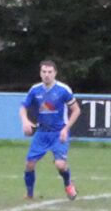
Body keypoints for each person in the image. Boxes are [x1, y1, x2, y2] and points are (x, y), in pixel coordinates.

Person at [19, 59, 81, 200]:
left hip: (59, 133)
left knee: (60, 165)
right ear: (40, 73)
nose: (47, 75)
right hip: (42, 132)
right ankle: (29, 194)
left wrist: (66, 129)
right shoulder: (35, 90)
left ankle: (68, 184)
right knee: (29, 164)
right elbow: (23, 107)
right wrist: (25, 121)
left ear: (55, 73)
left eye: (50, 72)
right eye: (44, 72)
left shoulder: (63, 90)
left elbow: (76, 110)